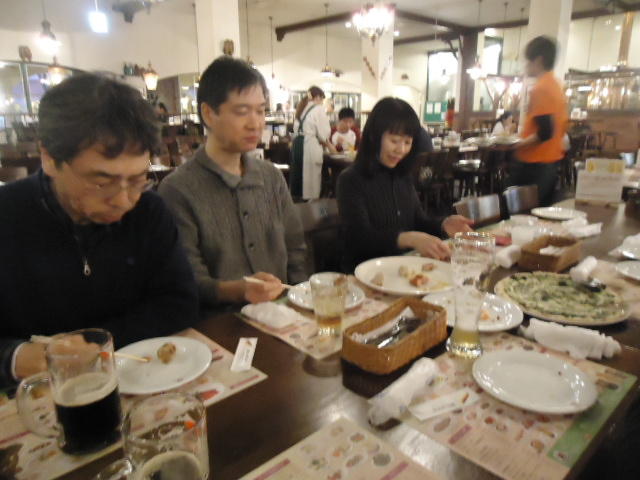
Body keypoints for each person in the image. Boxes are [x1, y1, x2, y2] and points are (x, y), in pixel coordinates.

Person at [0, 74, 199, 389]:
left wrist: (95, 344)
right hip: (36, 394)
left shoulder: (149, 212)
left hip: (137, 380)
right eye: (102, 182)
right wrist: (16, 356)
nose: (123, 200)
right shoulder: (8, 216)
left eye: (137, 179)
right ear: (49, 157)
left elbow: (180, 302)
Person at [158, 56, 307, 307]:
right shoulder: (178, 190)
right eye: (242, 112)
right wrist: (238, 291)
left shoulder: (270, 176)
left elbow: (295, 248)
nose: (255, 123)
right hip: (221, 322)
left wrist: (301, 303)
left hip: (285, 314)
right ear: (208, 113)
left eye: (260, 110)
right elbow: (188, 278)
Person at [336, 97, 474, 271]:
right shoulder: (350, 179)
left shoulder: (402, 176)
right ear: (374, 136)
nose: (401, 150)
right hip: (365, 273)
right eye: (394, 141)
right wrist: (408, 238)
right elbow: (359, 238)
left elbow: (418, 220)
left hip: (403, 269)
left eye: (407, 142)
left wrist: (443, 224)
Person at [510, 36, 568, 206]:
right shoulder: (556, 85)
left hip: (534, 163)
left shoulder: (541, 88)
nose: (525, 66)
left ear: (539, 60)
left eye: (528, 61)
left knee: (518, 211)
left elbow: (545, 132)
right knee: (537, 210)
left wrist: (516, 144)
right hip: (549, 161)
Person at [291, 86, 334, 200]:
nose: (322, 102)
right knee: (310, 184)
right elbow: (324, 134)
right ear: (318, 97)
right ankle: (310, 207)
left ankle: (297, 203)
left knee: (299, 180)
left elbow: (295, 128)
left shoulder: (301, 109)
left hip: (298, 145)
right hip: (309, 146)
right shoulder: (318, 109)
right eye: (322, 99)